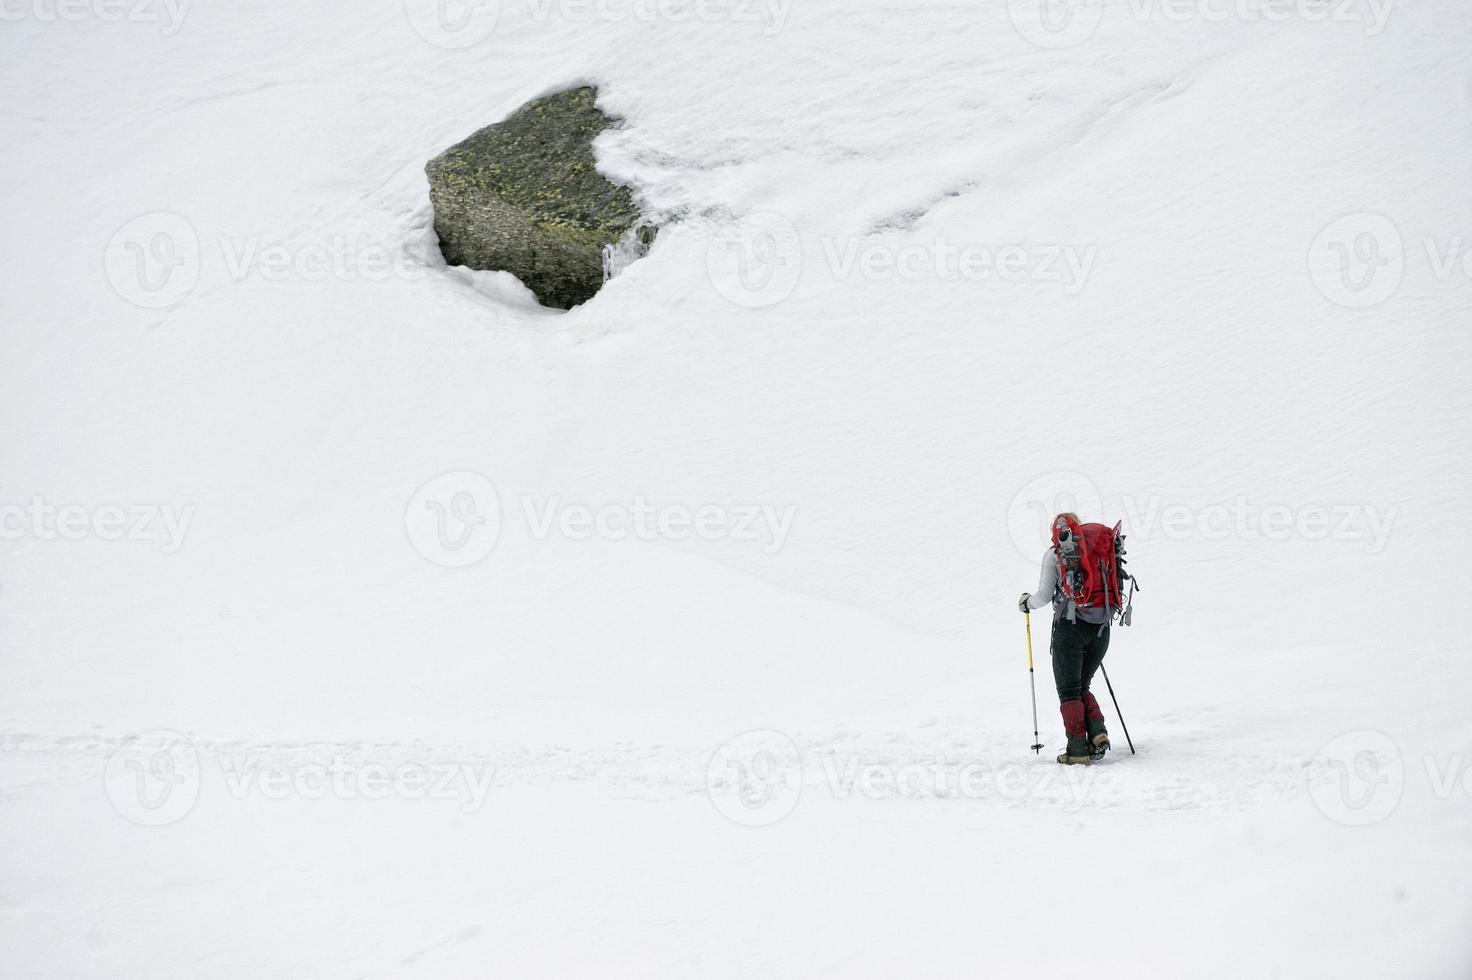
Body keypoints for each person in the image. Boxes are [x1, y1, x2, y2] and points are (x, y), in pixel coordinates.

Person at [1018, 512, 1111, 765]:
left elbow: (1044, 595)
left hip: (1069, 630)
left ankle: (1077, 751)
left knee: (1069, 691)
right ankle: (1098, 733)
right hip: (1101, 627)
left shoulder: (1054, 554)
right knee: (1083, 686)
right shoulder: (1096, 550)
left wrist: (1027, 603)